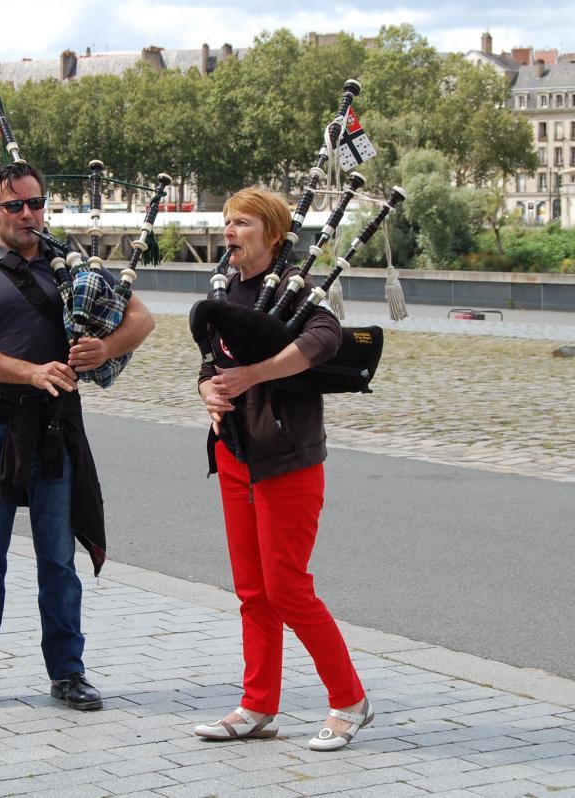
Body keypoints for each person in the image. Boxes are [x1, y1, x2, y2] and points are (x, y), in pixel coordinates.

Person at [0, 161, 154, 718]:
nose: (29, 214)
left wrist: (106, 349)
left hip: (57, 429)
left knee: (59, 559)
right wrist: (29, 371)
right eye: (16, 206)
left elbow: (143, 320)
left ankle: (68, 674)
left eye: (36, 204)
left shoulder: (72, 268)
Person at [192, 188, 371, 751]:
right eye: (226, 221)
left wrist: (255, 375)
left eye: (241, 222)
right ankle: (258, 705)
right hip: (233, 452)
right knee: (252, 591)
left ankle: (350, 701)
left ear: (271, 233)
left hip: (287, 459)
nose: (229, 231)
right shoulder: (228, 288)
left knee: (288, 587)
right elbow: (211, 362)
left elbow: (325, 339)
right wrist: (208, 388)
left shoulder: (298, 290)